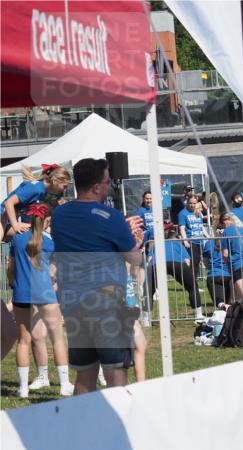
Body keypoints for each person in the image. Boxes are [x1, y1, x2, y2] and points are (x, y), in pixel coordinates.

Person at [50, 158, 145, 395]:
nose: (109, 185)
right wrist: (135, 242)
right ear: (96, 186)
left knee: (85, 374)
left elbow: (87, 230)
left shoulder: (59, 215)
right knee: (116, 371)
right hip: (105, 302)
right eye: (106, 181)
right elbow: (134, 259)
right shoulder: (110, 216)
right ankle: (118, 427)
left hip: (73, 303)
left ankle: (81, 429)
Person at [9, 204, 73, 397]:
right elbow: (56, 268)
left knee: (23, 341)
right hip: (45, 293)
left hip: (21, 293)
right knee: (57, 338)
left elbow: (10, 269)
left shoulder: (17, 239)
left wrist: (15, 283)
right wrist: (50, 278)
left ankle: (22, 389)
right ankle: (64, 384)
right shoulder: (50, 242)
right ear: (46, 221)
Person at [146, 223, 204, 319]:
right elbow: (187, 261)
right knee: (193, 287)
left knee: (148, 291)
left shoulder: (157, 245)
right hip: (177, 263)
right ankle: (198, 315)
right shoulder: (178, 244)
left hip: (156, 264)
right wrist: (186, 275)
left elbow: (149, 260)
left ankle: (146, 318)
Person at [3, 164, 71, 240]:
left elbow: (34, 221)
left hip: (6, 222)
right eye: (64, 186)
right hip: (3, 222)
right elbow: (8, 203)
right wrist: (15, 225)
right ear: (54, 181)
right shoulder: (36, 188)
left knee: (40, 232)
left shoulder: (41, 191)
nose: (65, 190)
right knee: (37, 235)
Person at [220, 212, 243, 301]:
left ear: (227, 220)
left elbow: (225, 254)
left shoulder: (226, 232)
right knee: (240, 297)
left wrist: (227, 264)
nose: (223, 226)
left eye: (222, 223)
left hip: (238, 266)